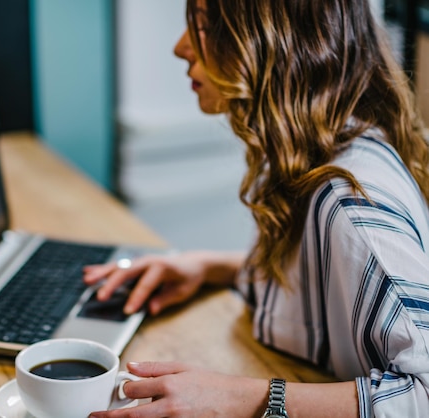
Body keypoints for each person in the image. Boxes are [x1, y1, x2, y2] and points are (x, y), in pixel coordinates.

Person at [85, 0, 429, 417]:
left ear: (273, 44)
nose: (181, 47)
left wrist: (244, 398)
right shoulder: (317, 157)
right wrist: (211, 267)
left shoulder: (351, 205)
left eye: (206, 26)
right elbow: (327, 287)